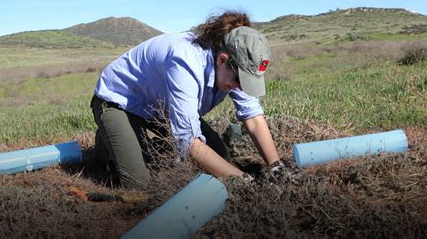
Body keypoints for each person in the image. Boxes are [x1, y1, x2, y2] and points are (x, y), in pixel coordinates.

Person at [91, 11, 285, 189]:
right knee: (139, 184)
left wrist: (277, 168)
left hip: (161, 109)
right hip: (120, 103)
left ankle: (143, 138)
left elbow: (253, 117)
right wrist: (246, 183)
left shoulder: (236, 62)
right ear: (222, 60)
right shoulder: (185, 60)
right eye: (239, 81)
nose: (241, 88)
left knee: (221, 156)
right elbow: (188, 140)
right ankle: (106, 144)